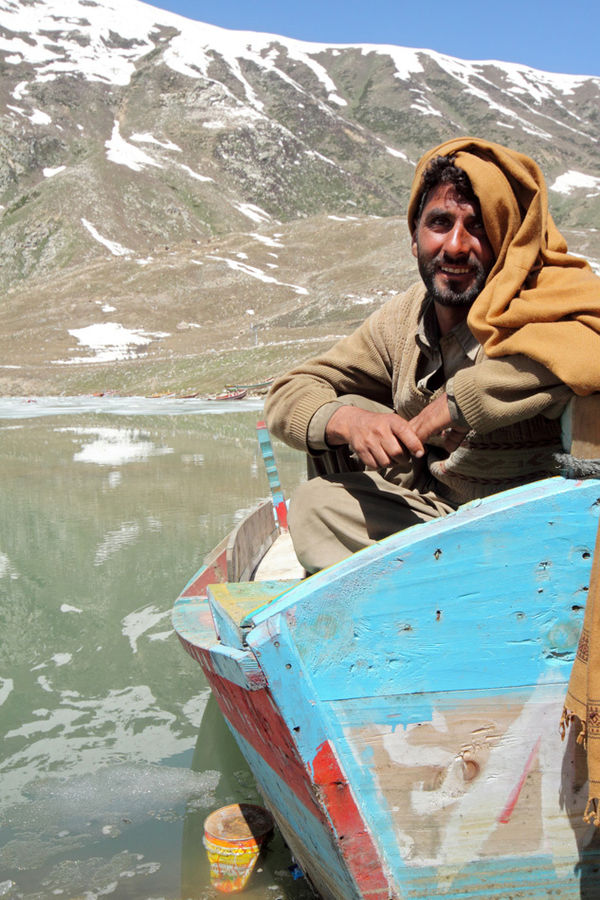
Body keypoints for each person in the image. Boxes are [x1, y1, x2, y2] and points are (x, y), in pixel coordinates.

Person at [265, 137, 600, 574]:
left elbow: (588, 348)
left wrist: (459, 404)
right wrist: (352, 423)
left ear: (506, 240)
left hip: (532, 538)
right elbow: (290, 390)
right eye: (440, 223)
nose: (456, 246)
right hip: (435, 516)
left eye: (478, 227)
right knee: (320, 499)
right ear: (414, 238)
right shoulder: (404, 318)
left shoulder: (546, 303)